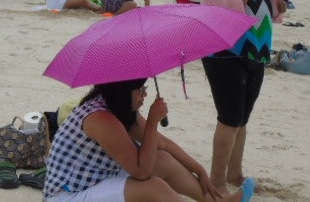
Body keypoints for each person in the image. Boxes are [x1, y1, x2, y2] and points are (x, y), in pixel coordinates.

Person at [43, 78, 253, 202]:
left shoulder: (119, 107)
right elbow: (141, 172)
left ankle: (214, 201)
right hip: (67, 195)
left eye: (145, 88)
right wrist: (153, 121)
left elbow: (162, 144)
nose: (144, 95)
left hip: (97, 179)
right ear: (123, 91)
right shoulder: (101, 118)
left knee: (161, 159)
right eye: (140, 89)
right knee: (154, 187)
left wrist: (200, 169)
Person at [200, 0, 286, 198]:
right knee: (229, 117)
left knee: (243, 118)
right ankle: (216, 180)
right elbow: (233, 5)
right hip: (225, 52)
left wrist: (277, 4)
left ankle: (235, 172)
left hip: (255, 51)